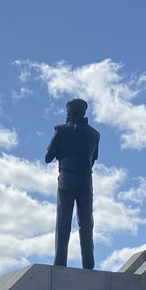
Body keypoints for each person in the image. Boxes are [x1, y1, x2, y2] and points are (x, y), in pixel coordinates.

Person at [46, 98, 101, 269]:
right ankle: (88, 263)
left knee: (63, 220)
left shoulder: (61, 130)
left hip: (67, 177)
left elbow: (48, 157)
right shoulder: (94, 134)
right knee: (86, 223)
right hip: (86, 179)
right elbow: (93, 159)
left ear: (69, 112)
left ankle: (60, 263)